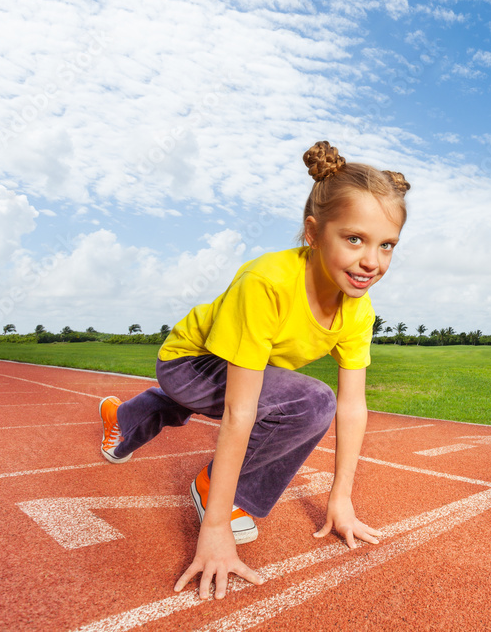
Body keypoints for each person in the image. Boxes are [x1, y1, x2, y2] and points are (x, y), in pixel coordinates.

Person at [97, 140, 409, 600]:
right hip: (191, 362)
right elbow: (241, 412)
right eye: (354, 239)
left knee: (304, 399)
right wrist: (216, 523)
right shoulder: (266, 282)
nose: (372, 261)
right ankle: (212, 485)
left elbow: (354, 406)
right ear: (313, 232)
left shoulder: (358, 311)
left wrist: (340, 499)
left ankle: (125, 418)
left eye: (387, 246)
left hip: (246, 370)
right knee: (309, 400)